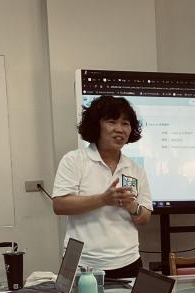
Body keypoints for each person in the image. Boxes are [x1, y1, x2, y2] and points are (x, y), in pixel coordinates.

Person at [53, 95, 153, 279]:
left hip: (128, 261)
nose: (119, 129)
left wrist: (133, 207)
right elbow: (59, 205)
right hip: (82, 262)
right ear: (96, 125)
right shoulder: (74, 160)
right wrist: (103, 199)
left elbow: (144, 217)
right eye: (112, 122)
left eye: (125, 123)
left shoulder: (135, 169)